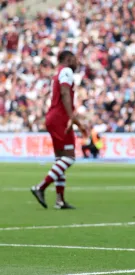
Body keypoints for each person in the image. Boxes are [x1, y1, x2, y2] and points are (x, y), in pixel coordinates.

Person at [30, 50, 86, 210]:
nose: (76, 62)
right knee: (69, 158)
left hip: (54, 117)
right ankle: (40, 187)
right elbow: (65, 92)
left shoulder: (58, 74)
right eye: (74, 59)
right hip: (60, 118)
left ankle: (60, 200)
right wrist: (71, 117)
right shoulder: (66, 71)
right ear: (67, 59)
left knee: (60, 159)